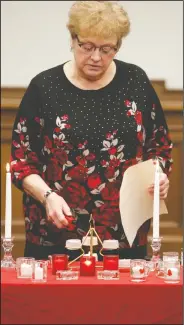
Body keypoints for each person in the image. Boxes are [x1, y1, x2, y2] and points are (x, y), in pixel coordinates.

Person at [10, 1, 172, 260]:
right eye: (87, 47)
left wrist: (159, 175)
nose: (96, 57)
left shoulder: (136, 82)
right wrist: (47, 196)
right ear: (72, 40)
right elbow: (21, 163)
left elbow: (160, 147)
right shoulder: (44, 88)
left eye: (107, 49)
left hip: (124, 233)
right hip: (56, 229)